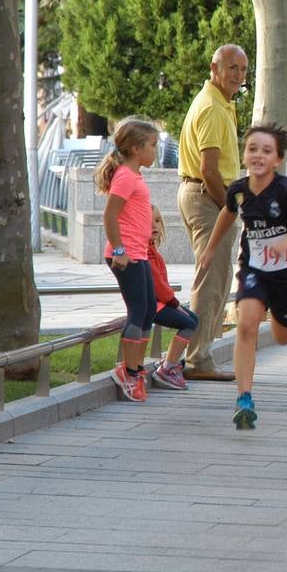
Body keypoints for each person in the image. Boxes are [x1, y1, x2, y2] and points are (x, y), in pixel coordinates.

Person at [199, 124, 287, 429]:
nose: (258, 155)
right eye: (252, 149)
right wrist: (210, 249)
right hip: (254, 269)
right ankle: (244, 398)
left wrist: (286, 243)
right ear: (244, 154)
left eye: (266, 150)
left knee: (283, 336)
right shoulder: (238, 190)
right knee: (247, 324)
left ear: (278, 159)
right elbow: (227, 212)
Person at [178, 44, 247, 380]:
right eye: (232, 68)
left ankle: (199, 354)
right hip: (208, 197)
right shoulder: (213, 108)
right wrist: (228, 206)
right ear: (214, 68)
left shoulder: (220, 104)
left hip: (207, 197)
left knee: (217, 278)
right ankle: (196, 360)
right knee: (210, 279)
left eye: (243, 69)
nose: (238, 75)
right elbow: (209, 168)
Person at [95, 116, 161, 403]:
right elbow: (109, 216)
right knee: (138, 311)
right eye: (153, 145)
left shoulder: (134, 175)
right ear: (136, 148)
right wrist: (119, 250)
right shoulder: (124, 176)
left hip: (138, 253)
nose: (155, 151)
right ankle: (130, 373)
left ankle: (134, 368)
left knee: (147, 310)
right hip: (126, 256)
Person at [147, 206, 197, 391]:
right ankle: (166, 368)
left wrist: (173, 302)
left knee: (193, 319)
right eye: (148, 221)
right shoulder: (144, 253)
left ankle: (170, 361)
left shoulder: (152, 251)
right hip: (154, 305)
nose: (155, 226)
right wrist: (174, 304)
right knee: (188, 323)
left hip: (161, 302)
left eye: (158, 221)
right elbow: (157, 286)